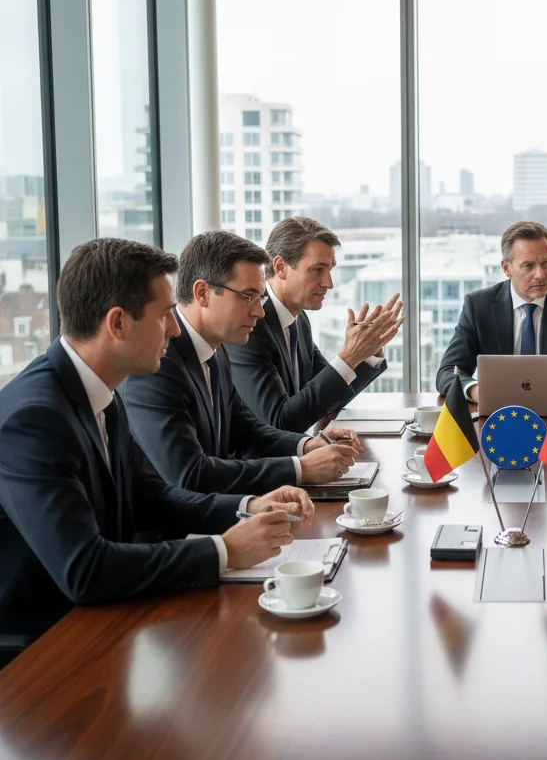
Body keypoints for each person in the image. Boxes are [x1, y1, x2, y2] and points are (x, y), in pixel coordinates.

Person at [0, 239, 313, 648]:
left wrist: (247, 507)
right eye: (165, 313)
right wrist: (223, 551)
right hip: (42, 647)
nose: (175, 328)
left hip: (103, 618)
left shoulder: (100, 391)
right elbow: (85, 569)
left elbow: (152, 495)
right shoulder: (34, 418)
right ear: (118, 323)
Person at [121, 231, 359, 496]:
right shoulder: (157, 365)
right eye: (248, 297)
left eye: (260, 298)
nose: (259, 311)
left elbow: (246, 430)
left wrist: (307, 445)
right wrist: (299, 468)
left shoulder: (216, 351)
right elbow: (190, 475)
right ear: (203, 293)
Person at [226, 217, 404, 433]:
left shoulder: (299, 319)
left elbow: (330, 397)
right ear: (280, 267)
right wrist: (348, 357)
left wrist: (366, 352)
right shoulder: (250, 326)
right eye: (318, 270)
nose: (329, 283)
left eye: (330, 269)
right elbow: (279, 422)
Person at [435, 220, 547, 401]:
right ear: (506, 268)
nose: (540, 274)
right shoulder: (479, 306)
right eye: (528, 266)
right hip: (498, 412)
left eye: (546, 263)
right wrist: (477, 392)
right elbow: (447, 372)